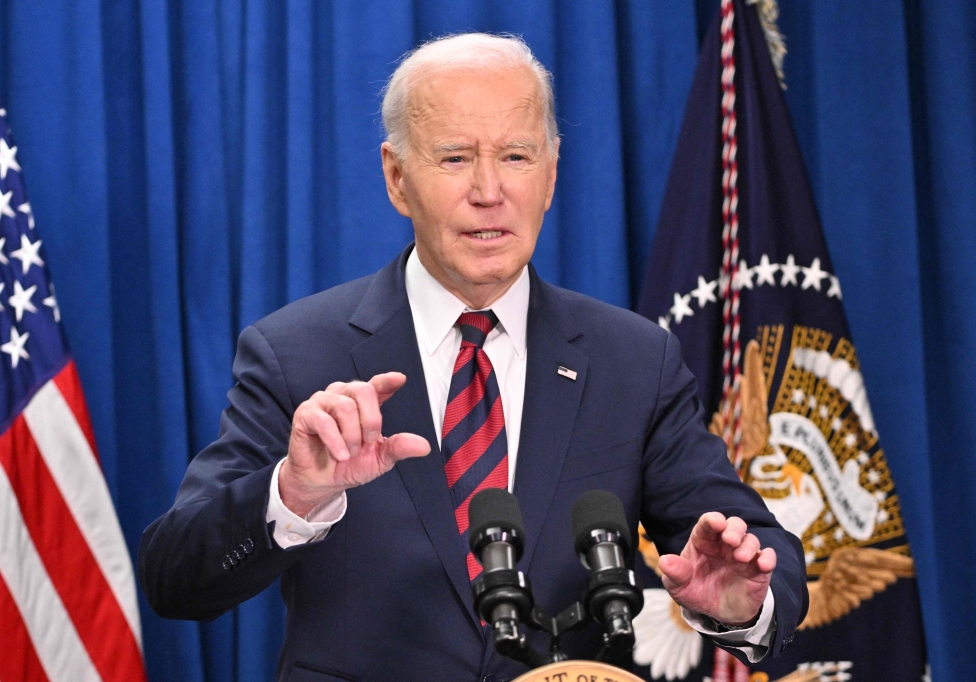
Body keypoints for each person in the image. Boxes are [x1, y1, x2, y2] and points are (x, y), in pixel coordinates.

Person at [139, 33, 807, 682]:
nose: (490, 190)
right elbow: (176, 576)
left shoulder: (634, 360)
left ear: (551, 172)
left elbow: (757, 545)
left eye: (516, 157)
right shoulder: (296, 351)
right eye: (455, 158)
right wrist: (296, 492)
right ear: (397, 178)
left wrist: (744, 602)